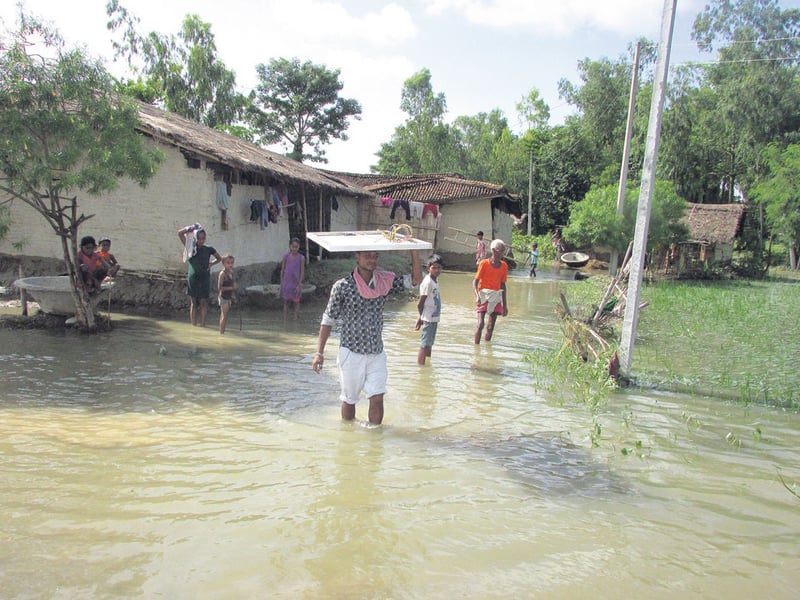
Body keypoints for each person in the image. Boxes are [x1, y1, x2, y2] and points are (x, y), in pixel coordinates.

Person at [311, 250, 422, 425]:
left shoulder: (383, 282)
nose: (371, 260)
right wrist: (319, 353)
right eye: (367, 255)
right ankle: (348, 439)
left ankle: (375, 442)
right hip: (351, 352)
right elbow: (328, 319)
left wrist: (414, 253)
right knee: (349, 400)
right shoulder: (343, 286)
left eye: (374, 256)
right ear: (357, 256)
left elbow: (415, 281)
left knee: (377, 397)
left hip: (376, 353)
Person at [178, 225, 222, 327]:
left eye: (203, 238)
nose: (201, 241)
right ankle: (193, 325)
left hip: (204, 279)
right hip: (193, 279)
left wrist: (211, 263)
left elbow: (219, 258)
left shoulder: (209, 249)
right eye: (199, 238)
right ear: (194, 238)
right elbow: (180, 233)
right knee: (194, 302)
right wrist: (190, 228)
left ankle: (202, 325)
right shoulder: (190, 248)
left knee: (203, 302)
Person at [473, 239, 509, 344]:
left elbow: (503, 285)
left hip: (496, 296)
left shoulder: (504, 266)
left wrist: (505, 305)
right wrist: (477, 296)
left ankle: (487, 348)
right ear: (493, 250)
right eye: (500, 250)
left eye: (503, 251)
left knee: (490, 326)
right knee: (480, 324)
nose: (502, 253)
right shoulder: (484, 263)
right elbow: (475, 281)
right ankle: (476, 349)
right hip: (483, 295)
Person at [415, 254, 443, 366]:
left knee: (429, 343)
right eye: (434, 268)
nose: (437, 270)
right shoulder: (428, 282)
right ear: (428, 268)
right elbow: (420, 303)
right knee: (424, 343)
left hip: (433, 317)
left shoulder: (435, 281)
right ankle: (421, 367)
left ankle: (427, 363)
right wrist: (420, 317)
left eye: (439, 268)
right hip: (428, 318)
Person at [280, 237, 305, 320]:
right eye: (293, 246)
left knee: (296, 302)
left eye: (296, 247)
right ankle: (285, 319)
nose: (294, 248)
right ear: (290, 246)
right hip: (286, 283)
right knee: (286, 302)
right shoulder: (285, 257)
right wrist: (282, 283)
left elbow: (302, 272)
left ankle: (295, 319)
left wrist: (299, 284)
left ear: (299, 247)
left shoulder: (301, 258)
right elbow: (283, 270)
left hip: (296, 283)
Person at [217, 254, 237, 334]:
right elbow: (219, 288)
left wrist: (233, 295)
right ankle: (221, 333)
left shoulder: (231, 273)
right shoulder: (222, 274)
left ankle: (222, 332)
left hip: (229, 296)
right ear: (223, 263)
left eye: (232, 263)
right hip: (223, 297)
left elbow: (232, 284)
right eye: (228, 263)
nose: (230, 265)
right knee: (224, 316)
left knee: (225, 316)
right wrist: (232, 288)